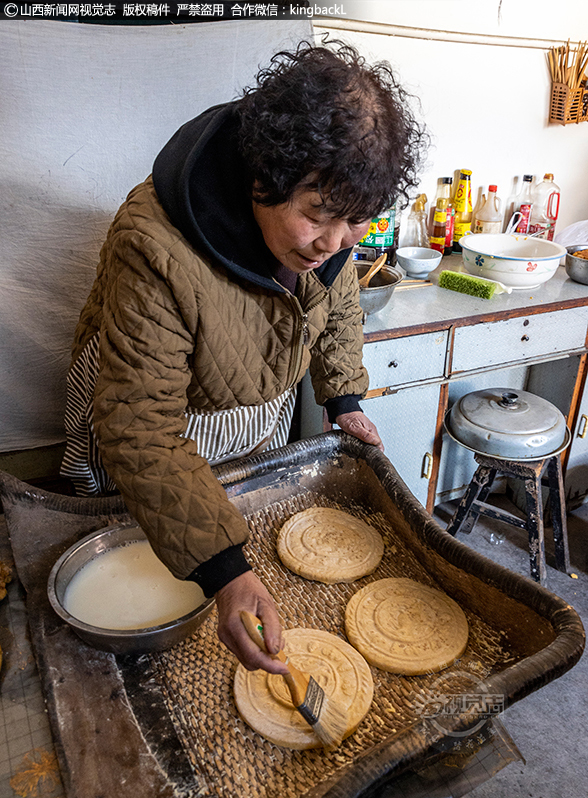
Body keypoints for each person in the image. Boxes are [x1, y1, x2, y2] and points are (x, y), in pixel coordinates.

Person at [61, 40, 426, 676]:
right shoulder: (152, 244)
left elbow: (336, 303)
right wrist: (225, 568)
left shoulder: (333, 235)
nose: (337, 243)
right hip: (144, 423)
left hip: (243, 407)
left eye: (358, 222)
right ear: (264, 178)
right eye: (318, 216)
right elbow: (141, 429)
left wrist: (343, 395)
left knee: (234, 532)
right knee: (142, 573)